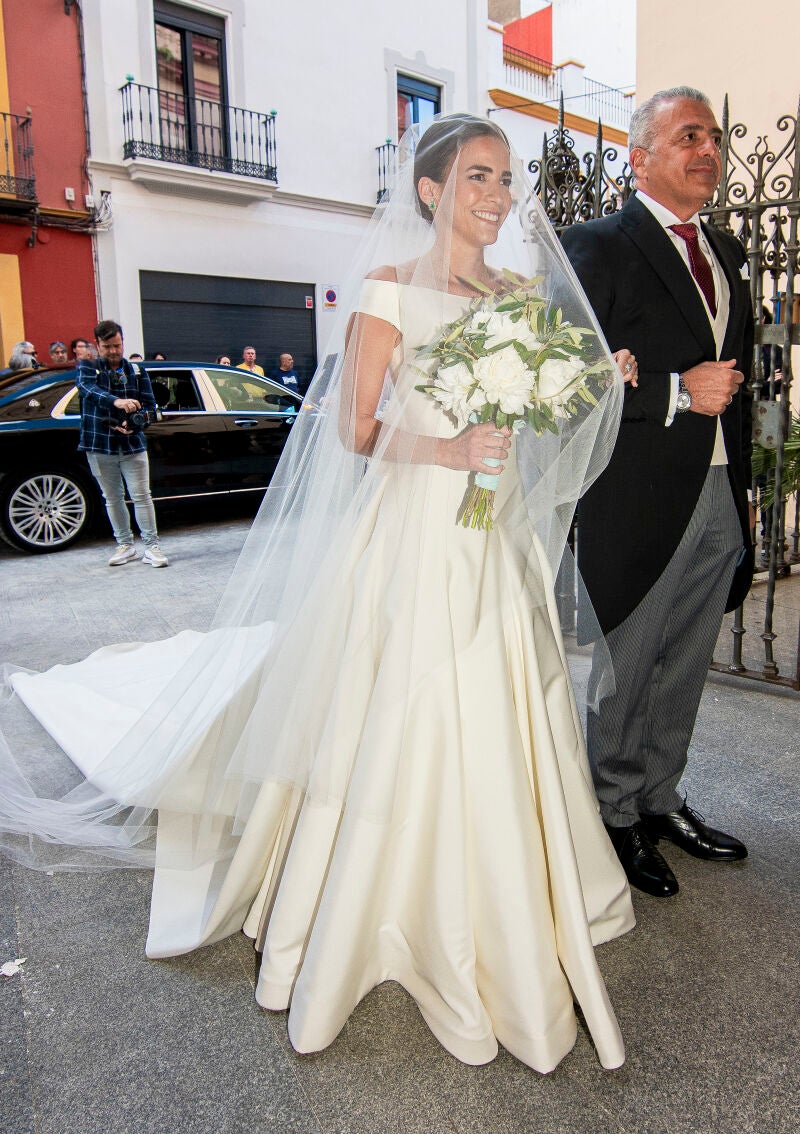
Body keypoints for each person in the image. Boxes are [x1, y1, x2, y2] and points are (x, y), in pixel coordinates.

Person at [0, 116, 636, 1073]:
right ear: (430, 191)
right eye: (477, 176)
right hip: (416, 529)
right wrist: (451, 448)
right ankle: (384, 912)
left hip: (489, 536)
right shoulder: (387, 291)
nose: (498, 195)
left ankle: (510, 887)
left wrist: (597, 379)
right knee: (404, 704)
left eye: (506, 178)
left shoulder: (517, 292)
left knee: (504, 695)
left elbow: (537, 407)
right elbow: (357, 429)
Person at [561, 86, 753, 899]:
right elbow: (566, 382)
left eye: (711, 136)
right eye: (686, 136)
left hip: (718, 487)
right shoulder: (594, 247)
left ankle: (660, 797)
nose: (705, 149)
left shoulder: (728, 253)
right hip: (633, 496)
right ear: (640, 156)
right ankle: (611, 814)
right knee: (629, 665)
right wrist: (674, 389)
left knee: (684, 665)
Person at [77, 319, 169, 568]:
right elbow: (86, 390)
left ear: (123, 342)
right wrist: (116, 402)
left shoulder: (137, 371)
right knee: (112, 498)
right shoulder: (88, 368)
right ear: (98, 344)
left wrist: (136, 424)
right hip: (99, 444)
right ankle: (125, 545)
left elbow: (151, 408)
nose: (114, 351)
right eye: (107, 347)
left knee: (142, 496)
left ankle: (152, 547)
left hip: (132, 445)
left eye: (117, 345)